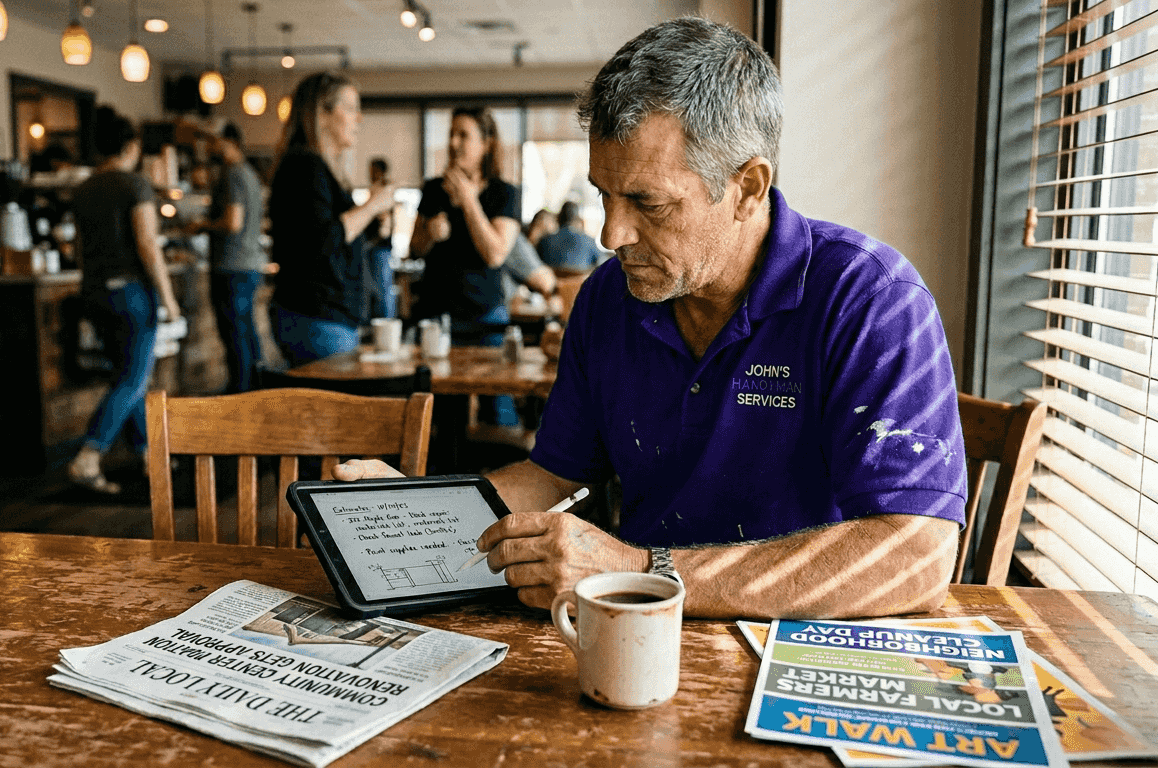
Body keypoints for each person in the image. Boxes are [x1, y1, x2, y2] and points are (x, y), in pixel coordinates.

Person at [335, 18, 965, 621]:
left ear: (747, 188)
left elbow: (918, 556)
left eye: (648, 202)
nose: (612, 233)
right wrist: (420, 517)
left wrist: (646, 571)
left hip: (797, 650)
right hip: (627, 636)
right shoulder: (608, 299)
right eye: (604, 195)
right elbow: (552, 475)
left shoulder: (871, 298)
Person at [67, 106, 182, 494]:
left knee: (128, 376)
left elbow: (80, 249)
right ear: (132, 146)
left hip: (96, 293)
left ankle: (149, 456)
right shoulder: (135, 186)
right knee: (133, 379)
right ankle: (88, 456)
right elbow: (148, 244)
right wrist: (168, 299)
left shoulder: (83, 189)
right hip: (132, 292)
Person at [269, 72, 395, 366]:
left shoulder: (319, 169)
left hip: (324, 317)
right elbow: (322, 240)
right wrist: (372, 206)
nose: (358, 118)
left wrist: (375, 222)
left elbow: (336, 237)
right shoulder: (306, 166)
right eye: (350, 108)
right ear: (321, 114)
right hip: (316, 317)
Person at [409, 106, 522, 425]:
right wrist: (429, 235)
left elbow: (496, 254)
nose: (454, 143)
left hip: (485, 319)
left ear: (486, 143)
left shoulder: (504, 193)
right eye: (451, 135)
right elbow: (413, 248)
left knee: (498, 412)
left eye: (464, 135)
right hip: (437, 320)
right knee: (441, 416)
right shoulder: (433, 189)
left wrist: (469, 200)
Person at [188, 123, 267, 393]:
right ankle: (258, 388)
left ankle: (240, 394)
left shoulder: (233, 174)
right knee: (246, 331)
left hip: (231, 265)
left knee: (234, 333)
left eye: (213, 141)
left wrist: (202, 225)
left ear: (228, 141)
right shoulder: (250, 174)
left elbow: (233, 222)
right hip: (249, 264)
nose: (209, 147)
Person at [364, 157, 396, 320]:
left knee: (382, 289)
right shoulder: (379, 188)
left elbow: (385, 222)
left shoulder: (383, 188)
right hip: (374, 247)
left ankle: (386, 325)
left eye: (372, 169)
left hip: (379, 247)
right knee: (376, 288)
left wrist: (375, 239)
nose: (369, 173)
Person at [537, 200, 605, 274]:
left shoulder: (545, 241)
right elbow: (604, 264)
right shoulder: (588, 241)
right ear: (578, 220)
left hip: (549, 284)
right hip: (581, 284)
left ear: (558, 219)